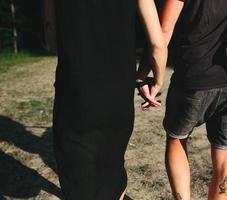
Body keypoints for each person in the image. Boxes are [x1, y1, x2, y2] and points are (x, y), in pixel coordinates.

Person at [137, 0, 227, 199]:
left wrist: (144, 73)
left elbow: (165, 28)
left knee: (177, 138)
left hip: (194, 75)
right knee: (226, 155)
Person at [53, 0, 167, 199]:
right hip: (117, 97)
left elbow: (50, 39)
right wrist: (154, 82)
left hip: (74, 95)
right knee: (112, 174)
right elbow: (158, 44)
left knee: (79, 183)